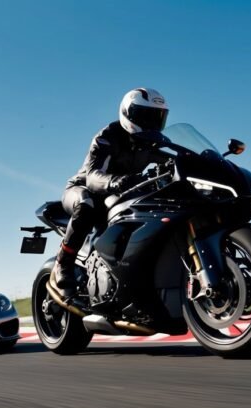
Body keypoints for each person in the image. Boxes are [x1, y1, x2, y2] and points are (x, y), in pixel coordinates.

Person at [49, 87, 171, 302]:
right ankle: (63, 264)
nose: (151, 123)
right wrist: (116, 181)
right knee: (87, 205)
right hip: (84, 189)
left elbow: (175, 158)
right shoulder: (108, 136)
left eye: (156, 117)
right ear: (128, 113)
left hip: (121, 191)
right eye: (145, 116)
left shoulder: (153, 142)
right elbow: (93, 176)